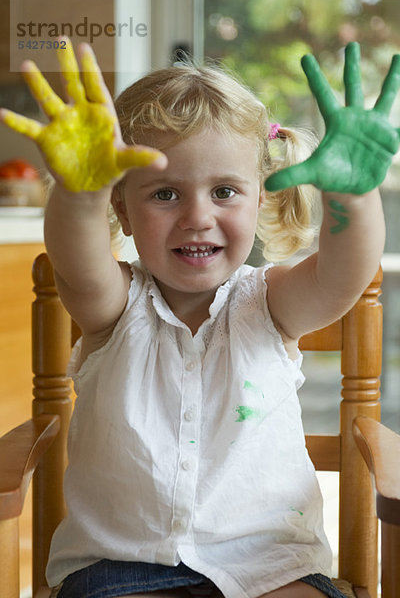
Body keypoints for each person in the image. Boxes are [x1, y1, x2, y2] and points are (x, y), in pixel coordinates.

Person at [1, 37, 399, 598]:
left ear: (260, 197)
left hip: (270, 566)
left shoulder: (272, 303)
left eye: (225, 191)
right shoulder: (113, 308)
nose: (197, 217)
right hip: (120, 570)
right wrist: (78, 194)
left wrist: (353, 200)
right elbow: (76, 258)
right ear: (122, 206)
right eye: (165, 193)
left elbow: (344, 275)